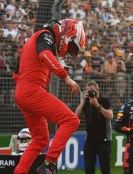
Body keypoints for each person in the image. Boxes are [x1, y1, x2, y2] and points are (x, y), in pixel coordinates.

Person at [13, 19, 86, 174]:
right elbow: (44, 55)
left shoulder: (41, 38)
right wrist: (66, 77)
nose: (68, 51)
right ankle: (49, 164)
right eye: (71, 47)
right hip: (31, 91)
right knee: (71, 120)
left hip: (23, 92)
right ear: (68, 34)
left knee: (41, 139)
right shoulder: (45, 35)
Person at [75, 80, 113, 174]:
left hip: (104, 141)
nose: (91, 92)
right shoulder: (86, 102)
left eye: (93, 90)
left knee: (105, 169)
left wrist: (97, 105)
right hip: (90, 141)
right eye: (89, 90)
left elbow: (110, 116)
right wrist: (82, 101)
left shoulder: (104, 100)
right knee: (89, 170)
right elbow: (75, 116)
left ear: (98, 90)